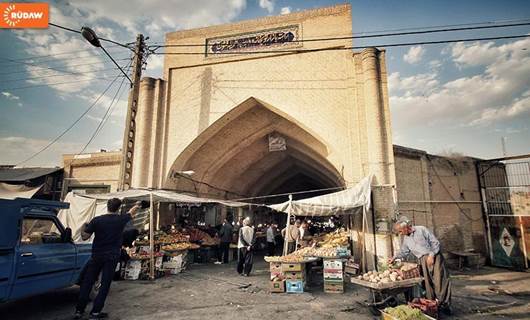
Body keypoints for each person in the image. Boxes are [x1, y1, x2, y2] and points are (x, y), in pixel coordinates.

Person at [74, 198, 140, 320]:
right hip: (112, 256)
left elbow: (84, 237)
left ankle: (79, 310)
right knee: (105, 284)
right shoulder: (121, 220)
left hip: (97, 255)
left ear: (107, 206)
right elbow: (132, 212)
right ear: (118, 208)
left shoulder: (97, 220)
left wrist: (84, 226)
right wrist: (137, 205)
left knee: (88, 282)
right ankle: (95, 313)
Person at [388, 216, 452, 314]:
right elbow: (404, 251)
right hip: (422, 259)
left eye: (400, 231)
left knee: (440, 282)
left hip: (434, 256)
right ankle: (432, 306)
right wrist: (394, 257)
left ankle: (445, 305)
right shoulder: (406, 239)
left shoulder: (421, 229)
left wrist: (431, 255)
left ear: (405, 227)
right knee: (427, 283)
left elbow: (435, 243)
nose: (400, 234)